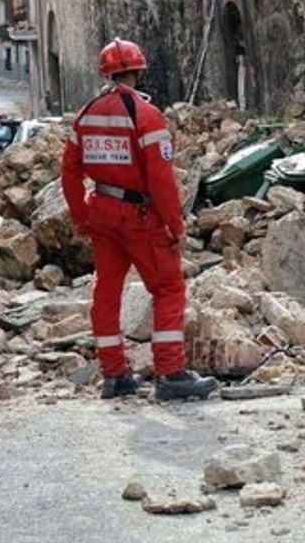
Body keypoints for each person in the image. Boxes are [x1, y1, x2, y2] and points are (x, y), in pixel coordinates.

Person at [61, 38, 218, 401]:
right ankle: (170, 372)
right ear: (137, 72)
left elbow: (69, 174)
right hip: (139, 216)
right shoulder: (145, 115)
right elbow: (160, 180)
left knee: (107, 292)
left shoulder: (86, 115)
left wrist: (82, 218)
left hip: (101, 212)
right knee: (167, 289)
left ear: (106, 73)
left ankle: (114, 375)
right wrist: (176, 227)